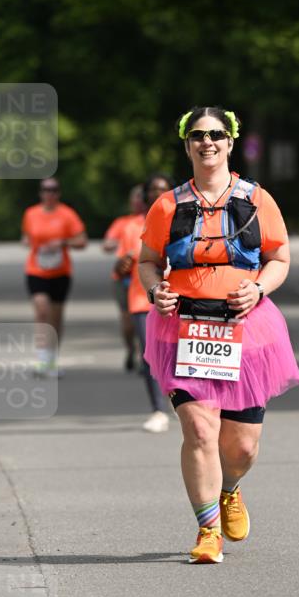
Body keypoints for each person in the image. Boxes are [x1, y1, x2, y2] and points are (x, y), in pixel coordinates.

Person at [138, 107, 299, 563]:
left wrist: (258, 289)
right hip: (183, 330)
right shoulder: (167, 205)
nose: (206, 142)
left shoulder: (257, 200)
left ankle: (230, 488)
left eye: (215, 135)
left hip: (246, 333)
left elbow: (280, 258)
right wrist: (156, 292)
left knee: (242, 446)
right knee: (198, 430)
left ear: (230, 143)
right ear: (186, 144)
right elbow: (148, 261)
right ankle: (207, 530)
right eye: (197, 135)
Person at [116, 175, 173, 432]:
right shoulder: (131, 227)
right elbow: (119, 269)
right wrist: (124, 264)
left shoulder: (184, 218)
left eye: (163, 189)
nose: (158, 193)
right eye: (153, 189)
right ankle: (158, 410)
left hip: (180, 300)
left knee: (175, 355)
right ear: (145, 195)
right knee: (149, 355)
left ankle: (181, 400)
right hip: (142, 299)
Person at [21, 178, 87, 376]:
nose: (49, 194)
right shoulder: (31, 213)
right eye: (45, 190)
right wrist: (29, 242)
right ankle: (42, 358)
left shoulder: (67, 214)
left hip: (60, 272)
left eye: (54, 190)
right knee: (41, 310)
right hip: (36, 270)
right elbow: (26, 237)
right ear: (40, 193)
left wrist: (63, 243)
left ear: (58, 193)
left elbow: (82, 241)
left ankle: (52, 359)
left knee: (55, 317)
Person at [103, 185, 144, 371]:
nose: (138, 201)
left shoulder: (155, 218)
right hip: (124, 277)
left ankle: (145, 355)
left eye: (140, 197)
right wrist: (115, 243)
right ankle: (130, 348)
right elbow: (107, 243)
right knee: (128, 322)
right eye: (134, 197)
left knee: (146, 319)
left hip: (145, 276)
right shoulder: (124, 223)